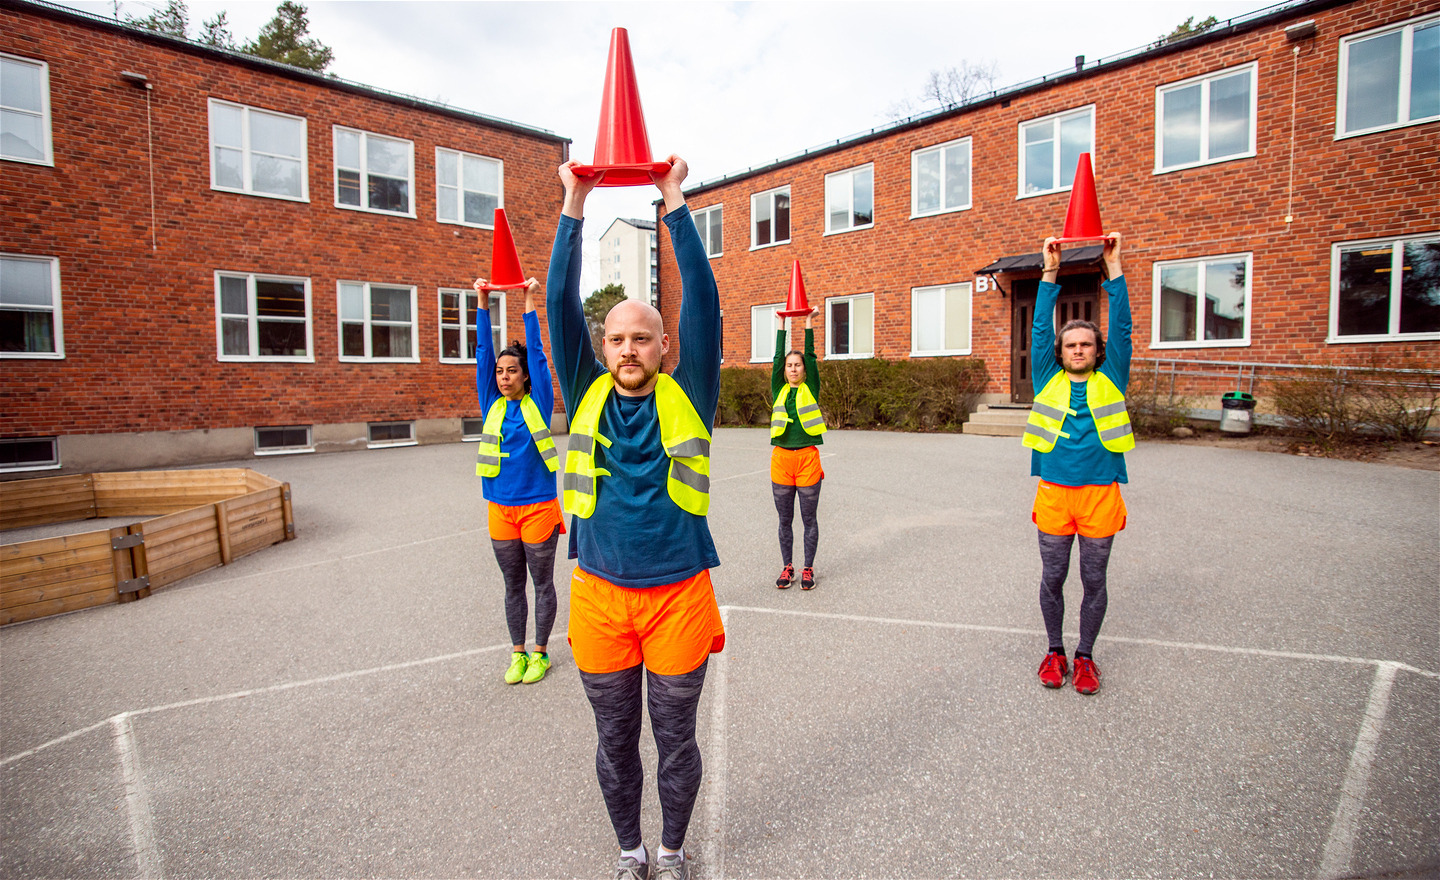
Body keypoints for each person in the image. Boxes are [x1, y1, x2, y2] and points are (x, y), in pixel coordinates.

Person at [546, 154, 723, 880]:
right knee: (615, 740)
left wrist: (673, 200)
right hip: (597, 597)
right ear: (603, 347)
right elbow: (560, 300)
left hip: (679, 595)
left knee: (675, 742)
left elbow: (704, 304)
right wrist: (574, 204)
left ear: (663, 347)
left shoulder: (692, 391)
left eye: (642, 337)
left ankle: (673, 851)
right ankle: (631, 852)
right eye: (616, 337)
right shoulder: (585, 388)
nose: (628, 348)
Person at [1023, 232, 1131, 696]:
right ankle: (1054, 650)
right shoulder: (1046, 376)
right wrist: (1050, 271)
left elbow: (1123, 328)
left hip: (1101, 492)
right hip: (1053, 491)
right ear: (1062, 353)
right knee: (1052, 577)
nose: (1079, 350)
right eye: (1072, 346)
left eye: (1087, 344)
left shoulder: (1113, 375)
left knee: (1093, 579)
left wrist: (1116, 267)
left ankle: (1085, 656)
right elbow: (1040, 332)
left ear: (1097, 351)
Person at [472, 276, 563, 685]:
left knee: (542, 582)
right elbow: (481, 354)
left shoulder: (539, 402)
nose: (504, 376)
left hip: (540, 507)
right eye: (500, 371)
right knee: (513, 585)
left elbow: (539, 355)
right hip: (500, 509)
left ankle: (541, 652)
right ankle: (517, 653)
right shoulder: (490, 402)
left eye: (512, 371)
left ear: (526, 377)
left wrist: (527, 300)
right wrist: (482, 303)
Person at [769, 310, 825, 590]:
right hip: (780, 459)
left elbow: (812, 357)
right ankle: (787, 566)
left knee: (809, 519)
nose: (792, 368)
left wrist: (807, 322)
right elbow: (777, 359)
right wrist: (781, 324)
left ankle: (808, 568)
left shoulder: (810, 388)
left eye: (797, 365)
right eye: (789, 365)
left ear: (803, 370)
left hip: (807, 459)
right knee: (784, 520)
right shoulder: (778, 387)